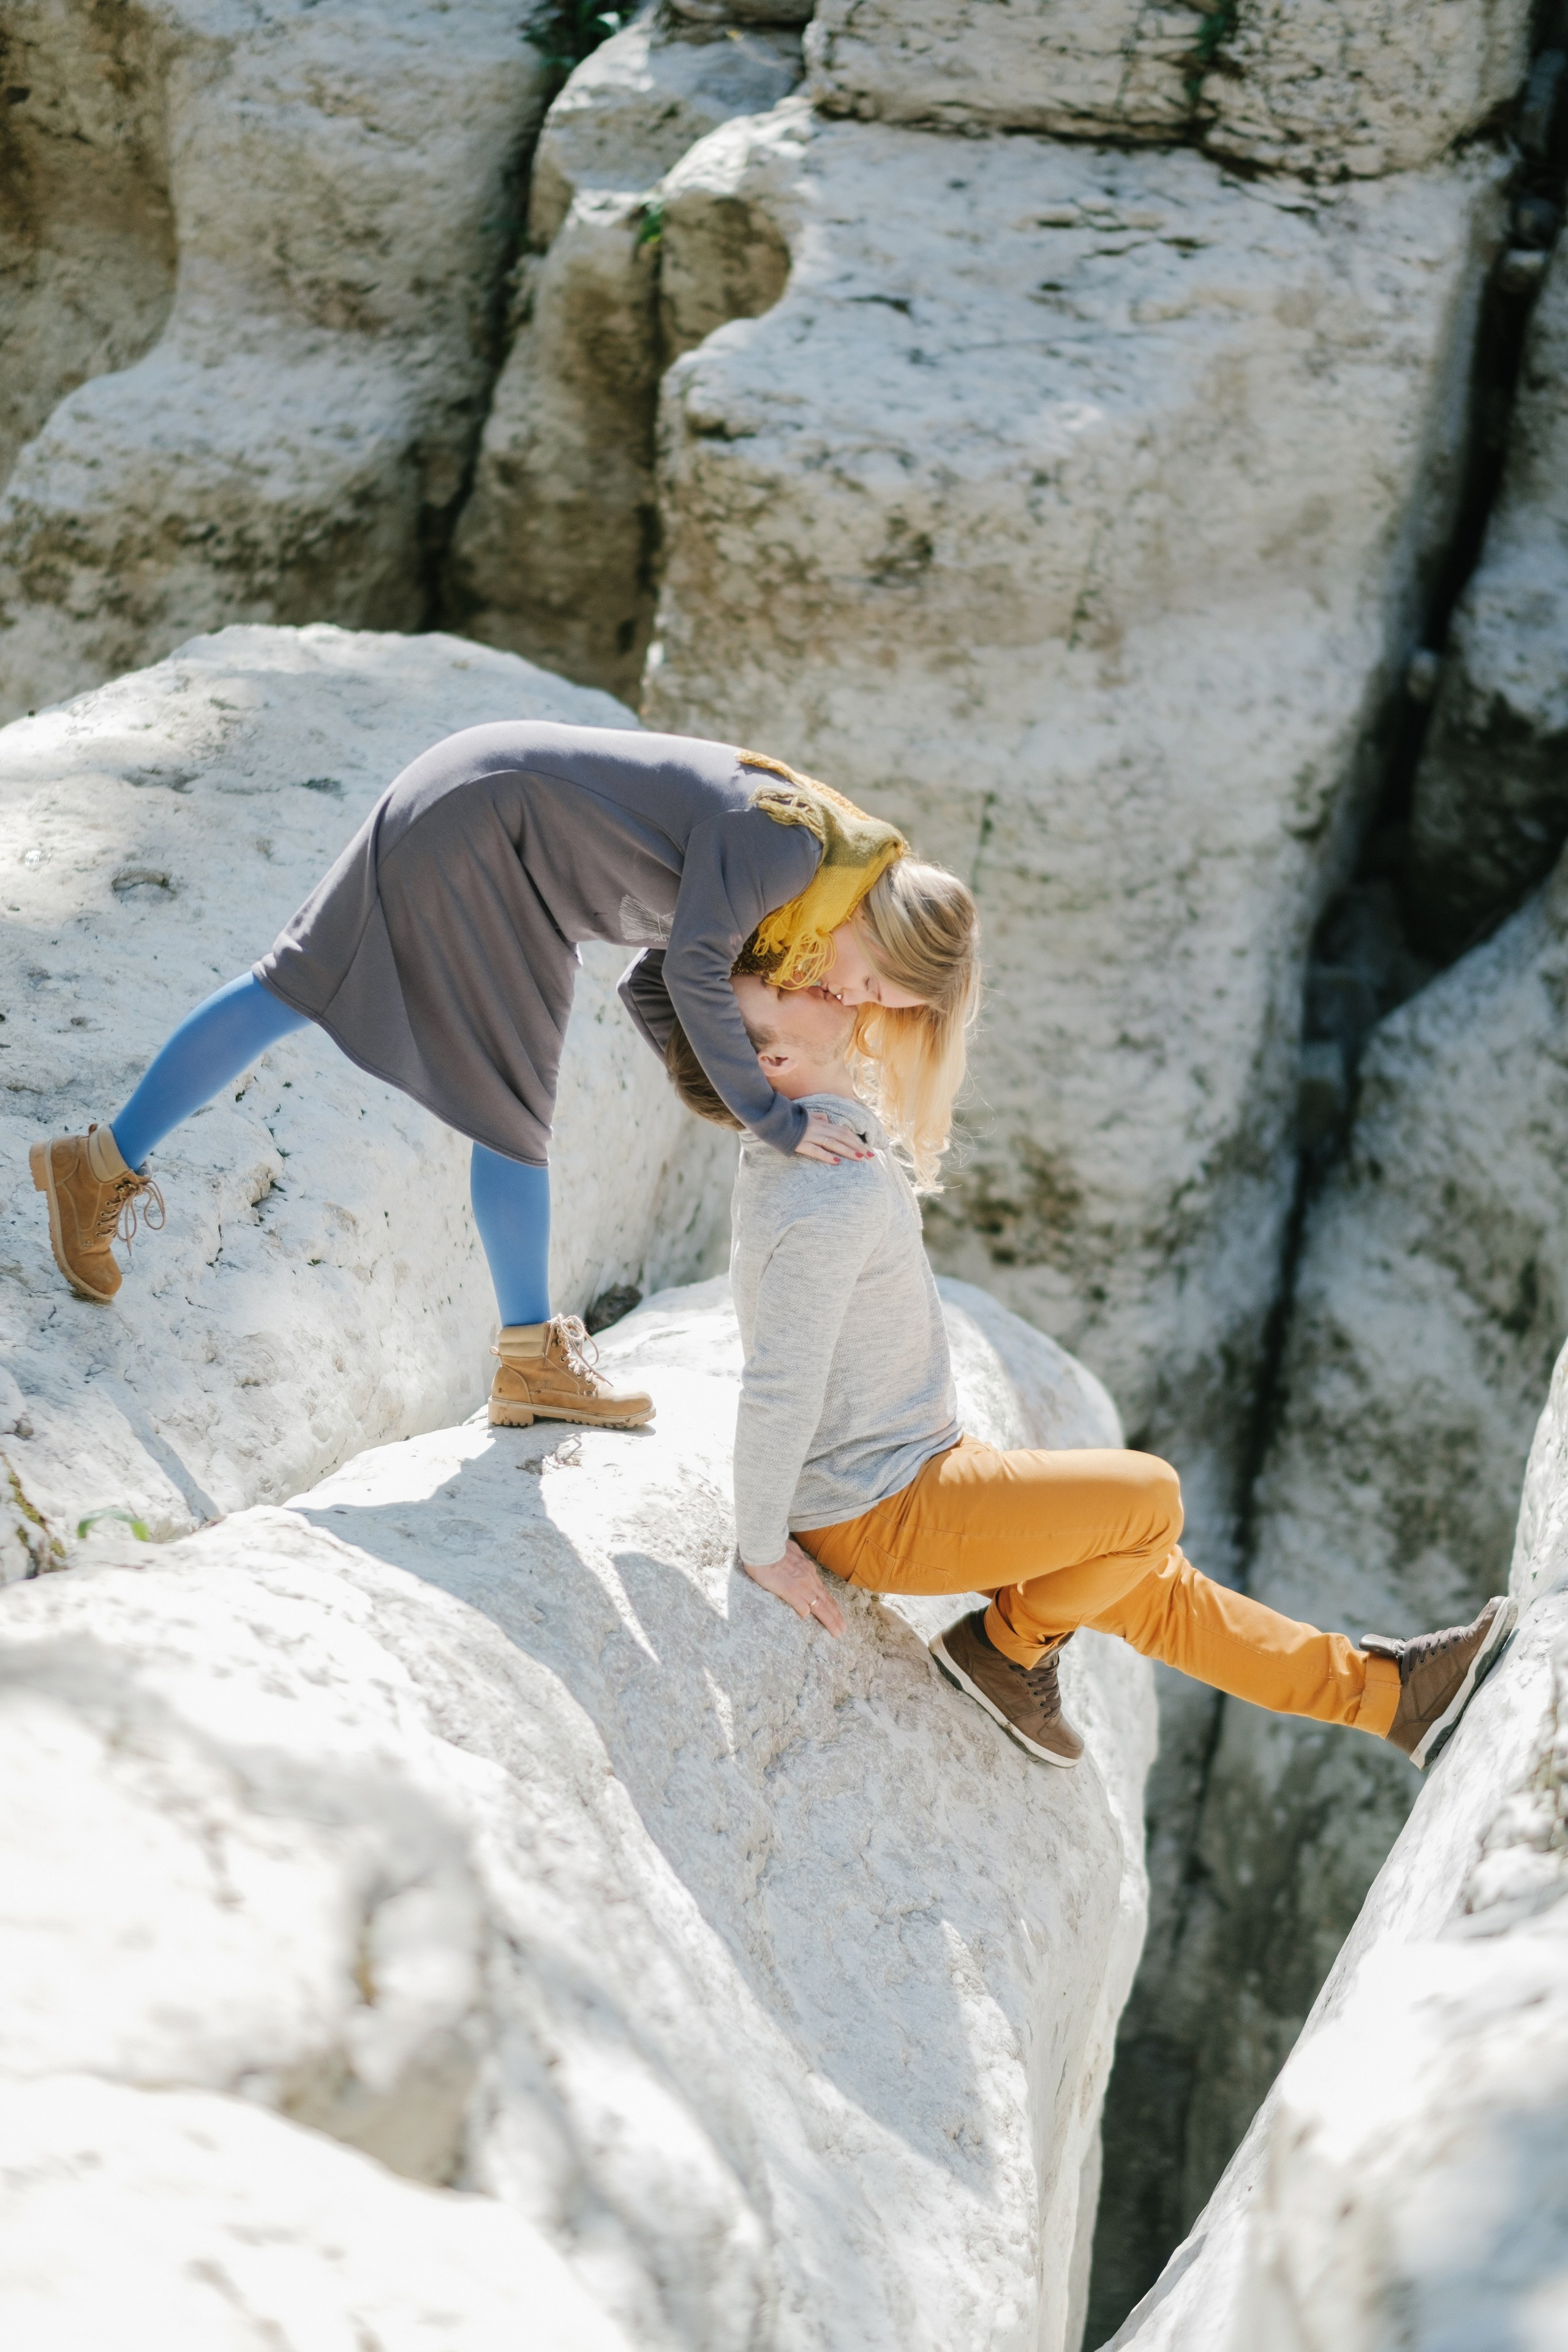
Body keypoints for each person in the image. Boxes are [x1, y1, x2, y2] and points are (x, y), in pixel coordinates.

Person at [669, 972, 1517, 1773]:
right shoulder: (824, 1192)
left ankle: (1389, 1699)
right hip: (875, 1507)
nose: (811, 973)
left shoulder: (828, 1130)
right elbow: (779, 1378)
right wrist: (762, 1545)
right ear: (774, 1062)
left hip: (919, 1468)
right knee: (1149, 1503)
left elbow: (680, 984)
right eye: (783, 989)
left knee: (1153, 1584)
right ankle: (1001, 1654)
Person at [28, 725, 978, 1432]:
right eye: (883, 983)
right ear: (885, 933)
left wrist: (731, 1105)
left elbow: (650, 984)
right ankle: (531, 1362)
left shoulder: (813, 893)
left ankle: (95, 1164)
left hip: (477, 801)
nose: (862, 998)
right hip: (492, 836)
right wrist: (770, 1118)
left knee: (291, 989)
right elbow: (690, 971)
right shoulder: (791, 850)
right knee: (508, 1104)